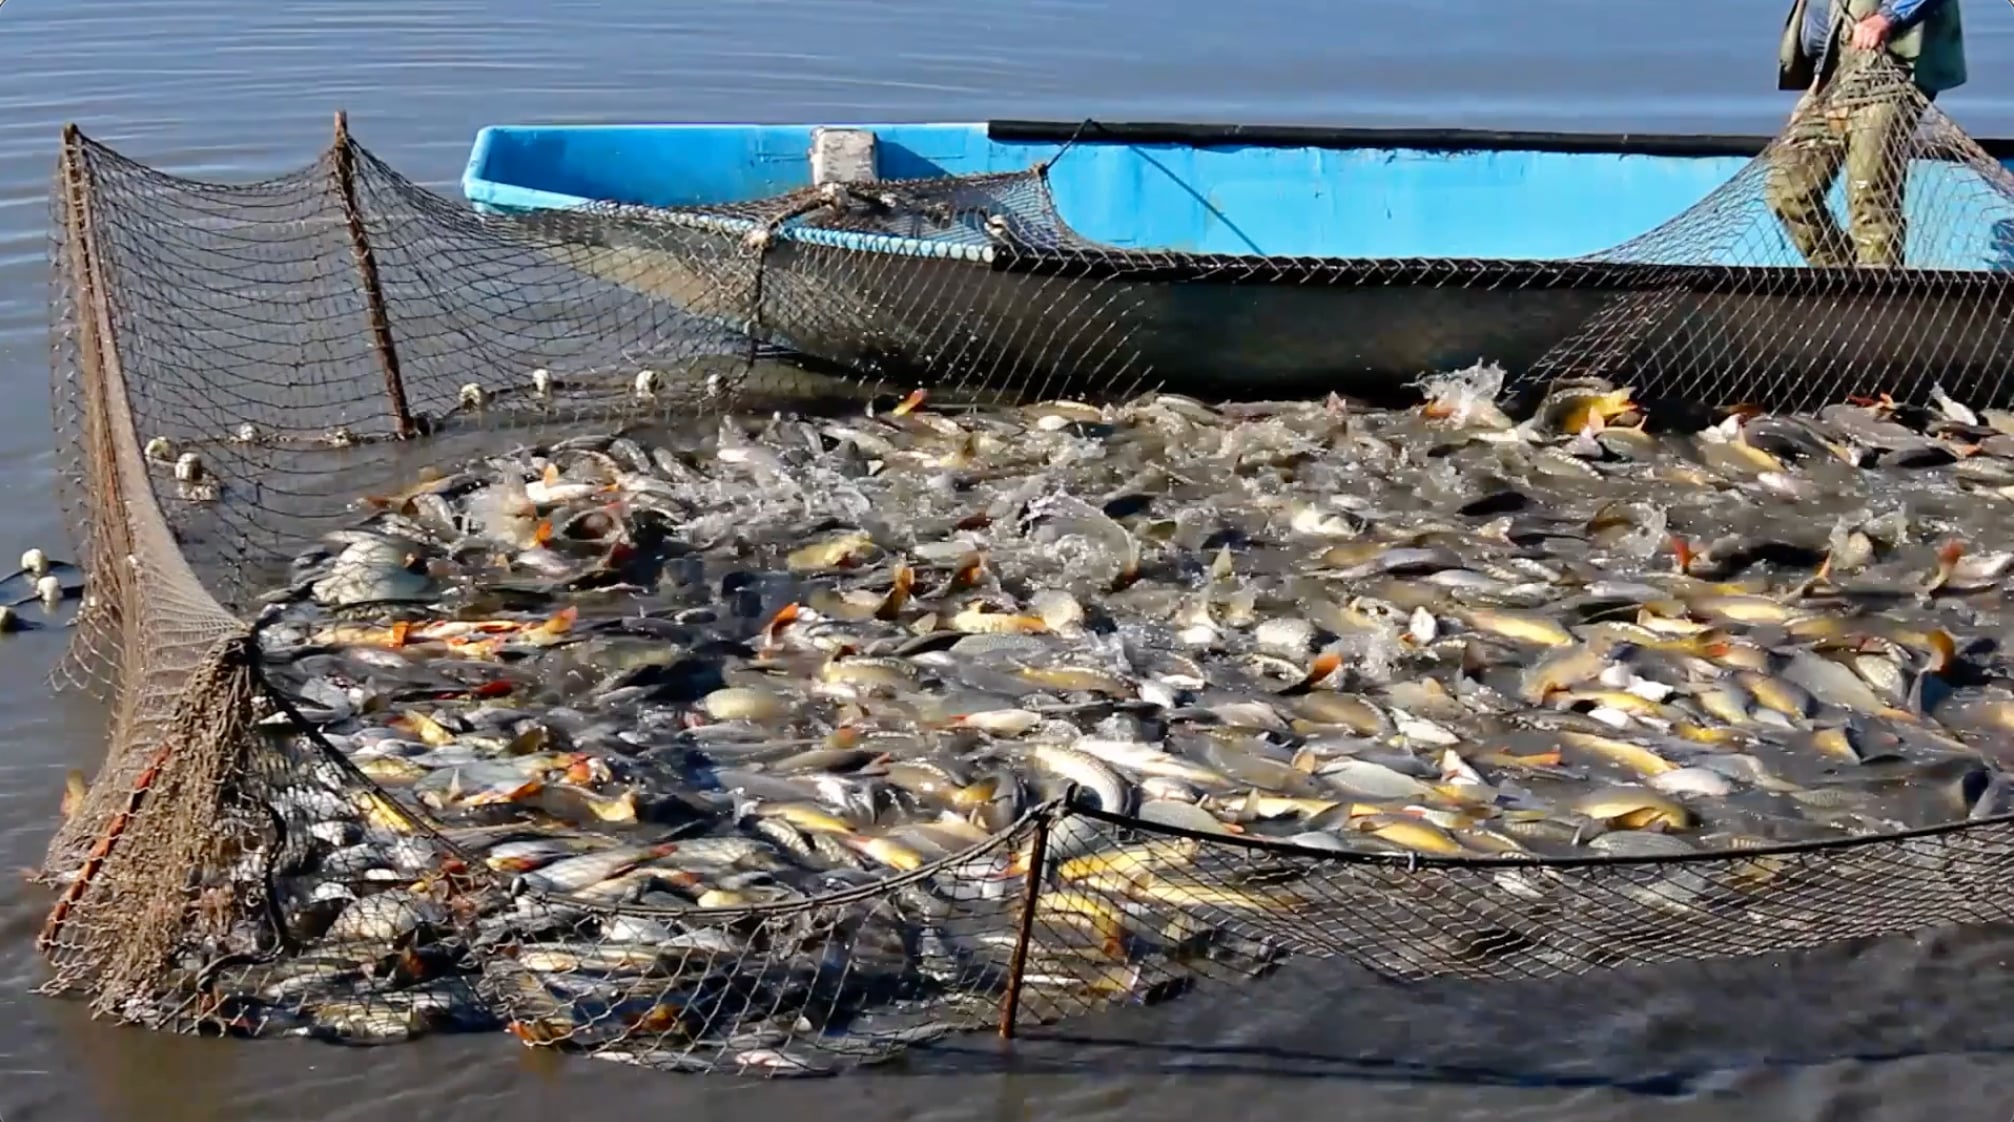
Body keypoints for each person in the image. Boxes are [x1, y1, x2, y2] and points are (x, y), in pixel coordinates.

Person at [1767, 0, 1966, 268]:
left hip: (1889, 77)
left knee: (1870, 199)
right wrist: (1816, 83)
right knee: (1787, 190)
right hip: (1830, 80)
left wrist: (1888, 17)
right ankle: (1844, 283)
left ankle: (1879, 298)